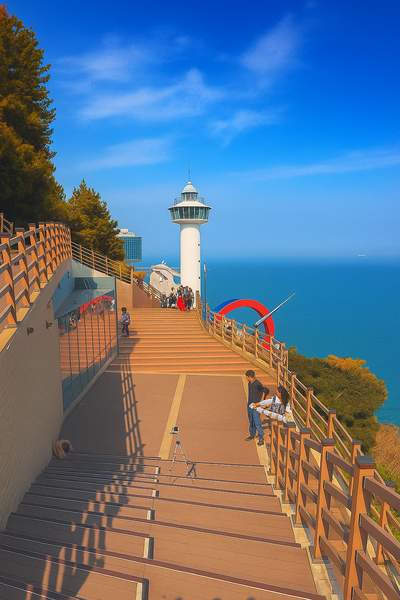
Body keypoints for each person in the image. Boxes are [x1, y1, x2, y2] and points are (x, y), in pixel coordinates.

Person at [245, 369, 269, 445]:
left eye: (246, 377)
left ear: (249, 377)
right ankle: (252, 435)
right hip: (250, 405)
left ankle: (261, 438)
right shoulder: (249, 383)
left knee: (257, 422)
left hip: (256, 406)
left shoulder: (258, 384)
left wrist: (261, 403)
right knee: (251, 421)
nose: (246, 378)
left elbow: (266, 391)